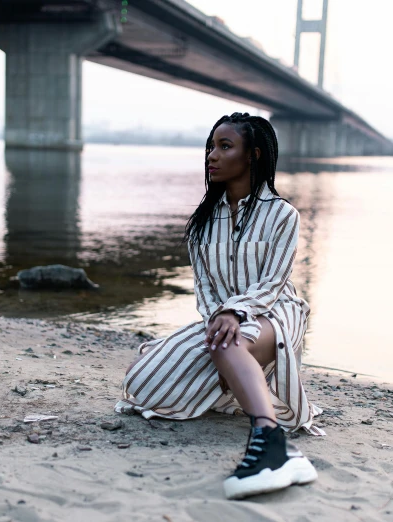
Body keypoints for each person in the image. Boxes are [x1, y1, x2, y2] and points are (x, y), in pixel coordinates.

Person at [115, 112, 323, 500]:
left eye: (225, 146)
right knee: (140, 379)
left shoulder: (282, 214)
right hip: (220, 319)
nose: (212, 155)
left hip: (275, 312)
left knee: (229, 343)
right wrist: (218, 316)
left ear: (253, 156)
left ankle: (270, 438)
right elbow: (205, 289)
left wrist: (235, 312)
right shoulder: (202, 223)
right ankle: (234, 374)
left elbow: (273, 282)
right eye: (211, 146)